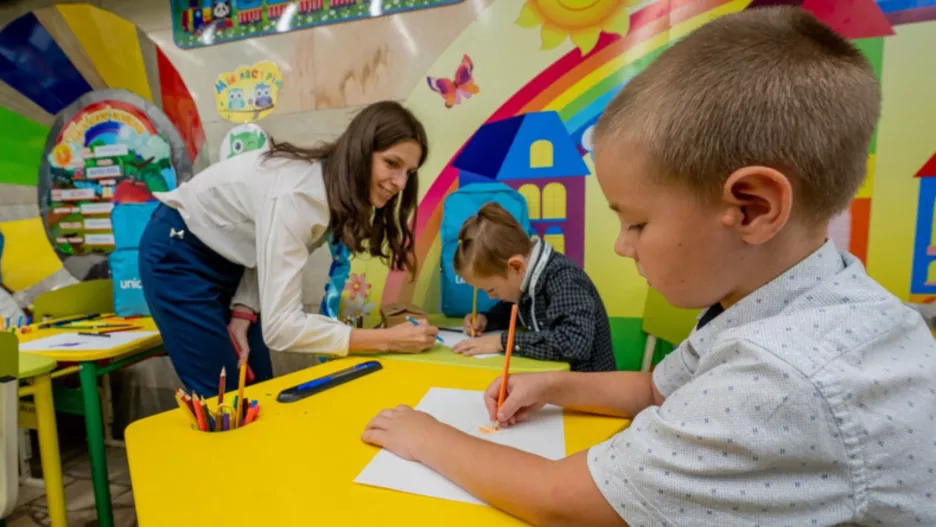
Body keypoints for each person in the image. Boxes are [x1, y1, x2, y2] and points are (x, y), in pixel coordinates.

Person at [360, 8, 936, 526]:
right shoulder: (783, 299)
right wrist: (554, 383)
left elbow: (561, 499)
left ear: (752, 208)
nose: (621, 246)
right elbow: (655, 388)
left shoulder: (781, 376)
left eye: (635, 223)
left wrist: (428, 437)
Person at [139, 101, 439, 396]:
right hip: (178, 254)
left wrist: (244, 312)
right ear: (359, 152)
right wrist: (386, 340)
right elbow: (281, 328)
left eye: (409, 172)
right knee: (225, 397)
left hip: (234, 265)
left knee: (259, 386)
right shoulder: (299, 195)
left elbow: (262, 250)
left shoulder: (330, 187)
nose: (401, 183)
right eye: (392, 163)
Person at [451, 202, 615, 372]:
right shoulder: (526, 279)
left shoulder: (564, 278)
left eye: (491, 289)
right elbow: (518, 308)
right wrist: (487, 319)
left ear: (516, 266)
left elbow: (573, 343)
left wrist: (503, 342)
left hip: (588, 390)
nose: (491, 296)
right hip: (553, 380)